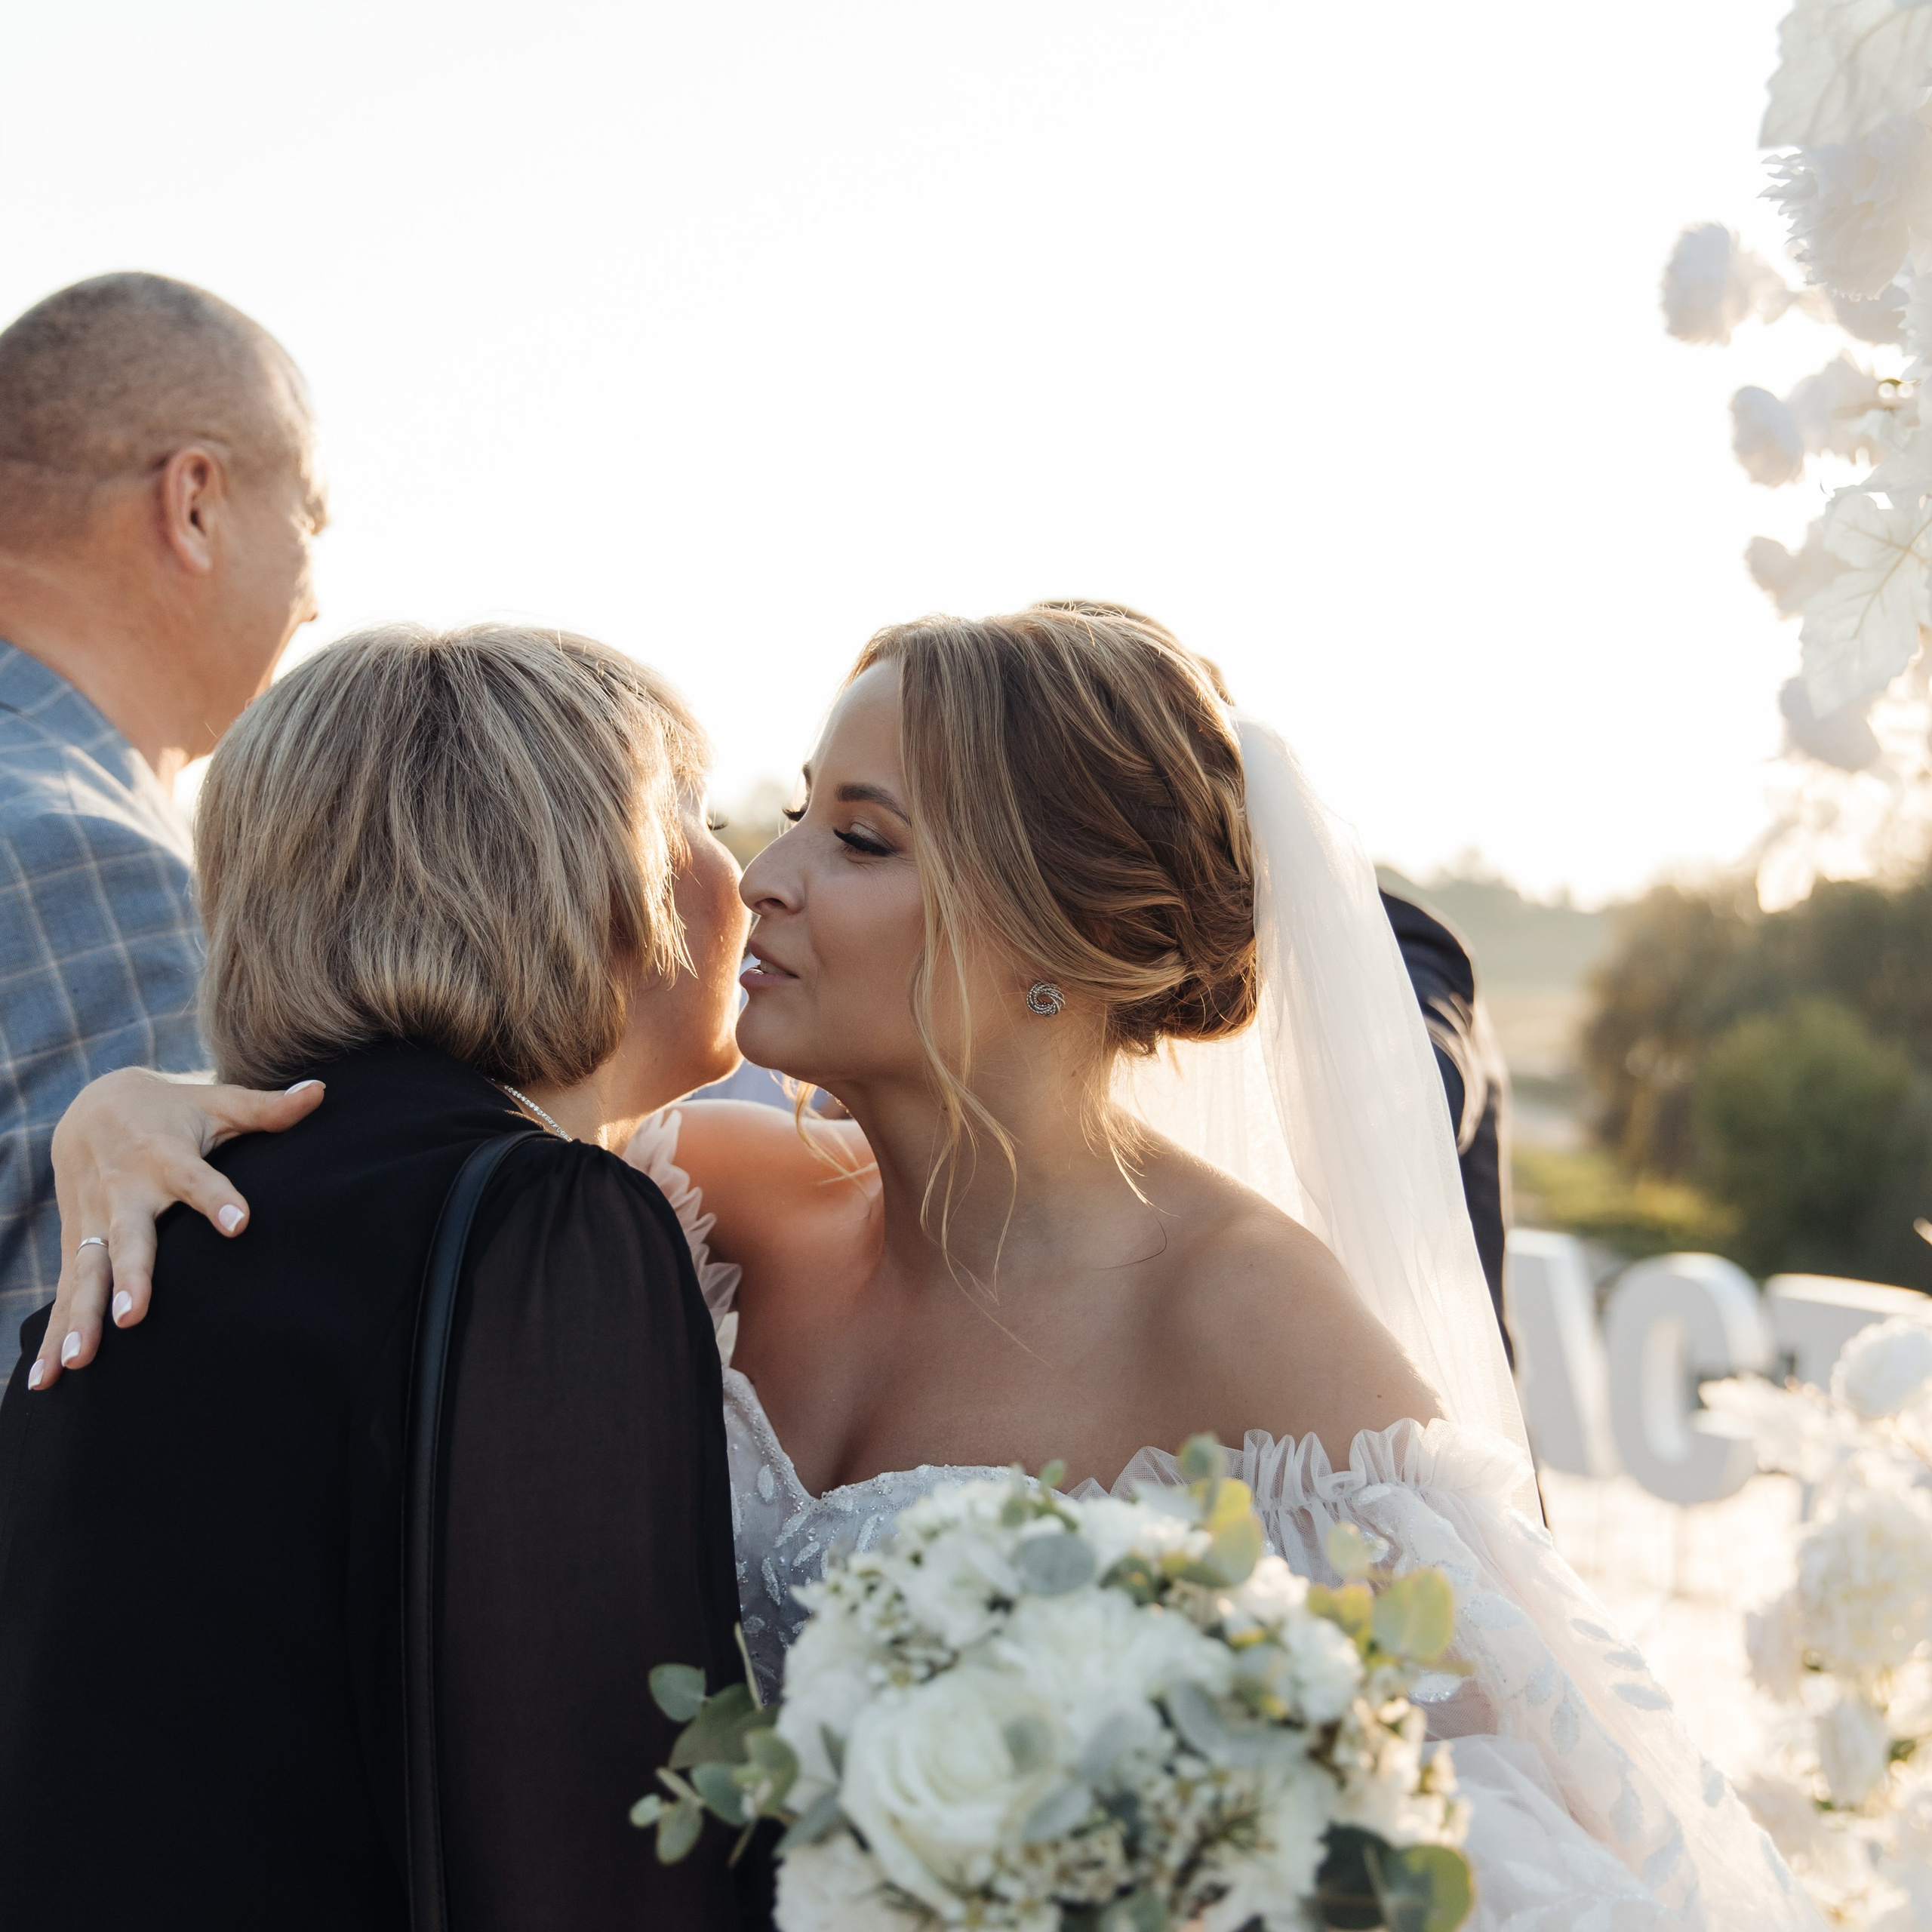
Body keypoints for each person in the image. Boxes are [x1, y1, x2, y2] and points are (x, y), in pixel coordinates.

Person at [40, 603, 1816, 1929]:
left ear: (1055, 943)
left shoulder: (1242, 1311)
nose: (765, 875)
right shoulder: (679, 1190)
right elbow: (397, 1171)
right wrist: (136, 1108)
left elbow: (1479, 1821)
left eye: (862, 839)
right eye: (800, 811)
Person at [0, 623, 764, 1930]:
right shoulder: (549, 1219)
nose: (741, 870)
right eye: (690, 811)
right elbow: (600, 1840)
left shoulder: (150, 1232)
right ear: (590, 869)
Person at [0, 272, 325, 1331]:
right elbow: (110, 1387)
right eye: (309, 516)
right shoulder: (83, 864)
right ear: (193, 504)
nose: (318, 592)